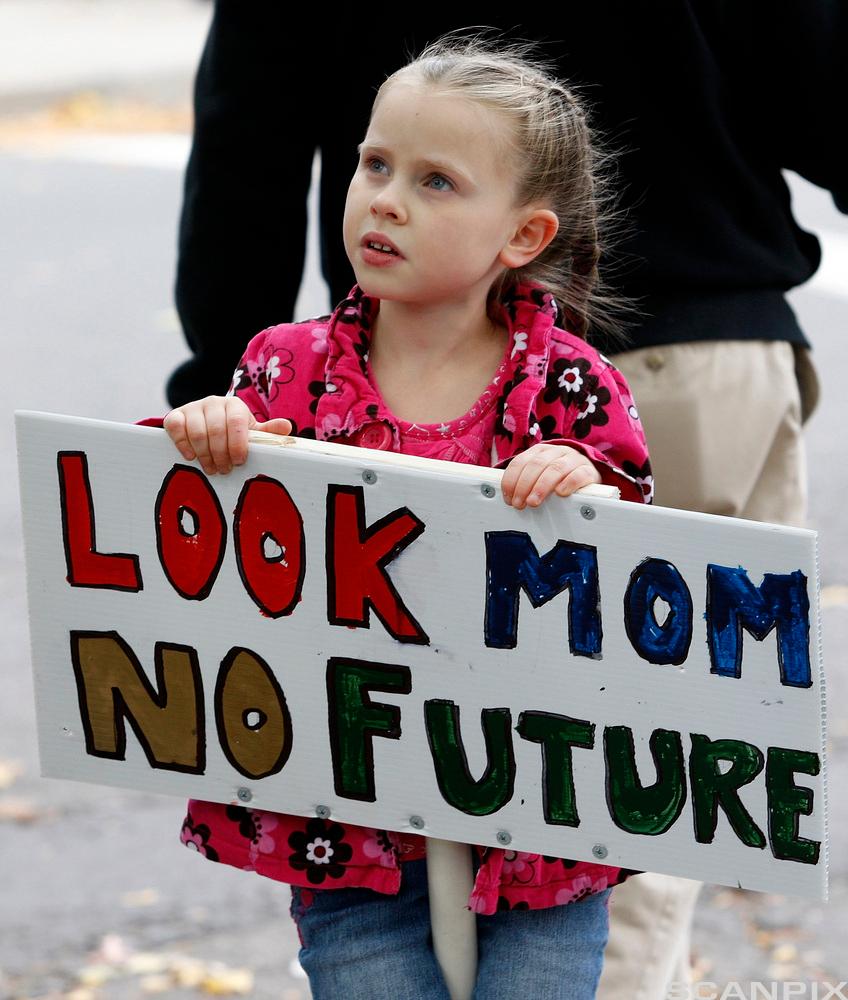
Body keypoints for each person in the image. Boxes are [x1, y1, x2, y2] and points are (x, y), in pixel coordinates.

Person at [164, 32, 653, 999]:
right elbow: (200, 535)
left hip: (536, 826)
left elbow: (644, 576)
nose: (384, 198)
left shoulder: (570, 384)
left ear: (524, 237)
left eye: (437, 182)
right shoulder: (281, 368)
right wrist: (207, 432)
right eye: (375, 164)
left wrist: (585, 484)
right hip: (349, 822)